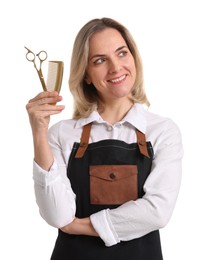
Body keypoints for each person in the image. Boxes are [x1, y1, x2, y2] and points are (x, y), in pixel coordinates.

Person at [26, 17, 183, 260]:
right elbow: (57, 216)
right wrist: (39, 132)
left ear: (134, 58)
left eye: (122, 53)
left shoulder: (162, 131)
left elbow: (157, 212)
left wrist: (78, 225)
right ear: (86, 74)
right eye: (100, 60)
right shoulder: (62, 134)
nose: (115, 67)